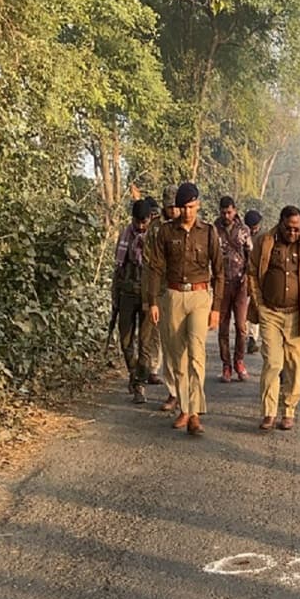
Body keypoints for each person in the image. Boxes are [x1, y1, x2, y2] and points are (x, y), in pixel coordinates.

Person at [145, 182, 224, 435]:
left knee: (196, 354)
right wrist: (153, 302)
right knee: (176, 356)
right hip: (173, 295)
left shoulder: (209, 233)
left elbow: (219, 272)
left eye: (191, 206)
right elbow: (155, 268)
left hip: (200, 296)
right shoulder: (166, 233)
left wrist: (217, 308)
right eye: (183, 207)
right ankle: (184, 407)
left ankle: (195, 413)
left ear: (198, 204)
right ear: (177, 208)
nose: (188, 212)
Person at [247, 205, 300, 431]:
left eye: (297, 229)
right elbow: (252, 271)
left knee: (294, 364)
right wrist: (258, 302)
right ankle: (268, 412)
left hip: (297, 313)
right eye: (289, 228)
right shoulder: (265, 242)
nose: (293, 233)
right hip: (270, 312)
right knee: (273, 362)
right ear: (280, 223)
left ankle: (289, 410)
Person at [112, 198, 155, 403]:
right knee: (126, 340)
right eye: (137, 222)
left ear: (150, 219)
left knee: (145, 344)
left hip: (148, 296)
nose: (140, 226)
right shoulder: (125, 235)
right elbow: (117, 269)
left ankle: (140, 384)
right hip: (127, 294)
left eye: (144, 222)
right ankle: (133, 372)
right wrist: (115, 298)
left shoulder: (155, 237)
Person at [143, 186, 180, 411]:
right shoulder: (155, 230)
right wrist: (149, 298)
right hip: (162, 291)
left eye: (176, 206)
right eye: (170, 207)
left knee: (180, 344)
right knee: (164, 340)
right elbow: (149, 265)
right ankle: (172, 391)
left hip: (184, 291)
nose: (173, 211)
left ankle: (186, 393)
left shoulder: (188, 226)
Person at [215, 196, 252, 382]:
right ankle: (226, 365)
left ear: (235, 211)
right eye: (223, 212)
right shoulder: (214, 230)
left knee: (241, 326)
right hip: (221, 284)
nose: (226, 215)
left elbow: (250, 256)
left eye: (229, 212)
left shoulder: (243, 230)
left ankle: (239, 360)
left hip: (240, 284)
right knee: (222, 327)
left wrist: (247, 276)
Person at [243, 210, 263, 355]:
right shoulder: (242, 234)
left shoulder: (265, 237)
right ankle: (244, 334)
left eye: (255, 226)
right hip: (243, 275)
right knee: (243, 306)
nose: (253, 229)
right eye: (250, 226)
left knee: (255, 305)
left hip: (257, 276)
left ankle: (252, 338)